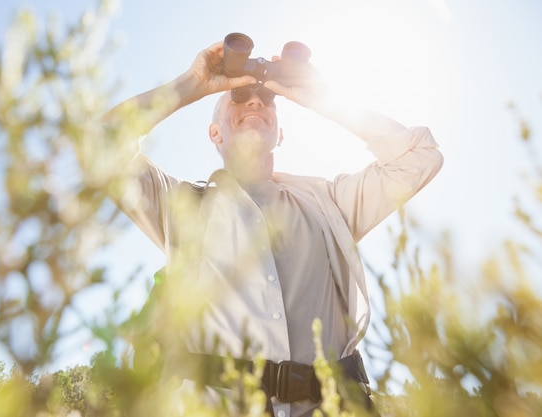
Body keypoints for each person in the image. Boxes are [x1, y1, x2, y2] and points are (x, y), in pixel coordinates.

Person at [94, 38, 443, 417]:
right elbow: (97, 144)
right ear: (215, 134)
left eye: (267, 98)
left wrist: (322, 99)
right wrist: (191, 84)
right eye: (238, 95)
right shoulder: (180, 206)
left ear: (280, 134)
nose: (256, 101)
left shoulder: (328, 205)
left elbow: (420, 157)